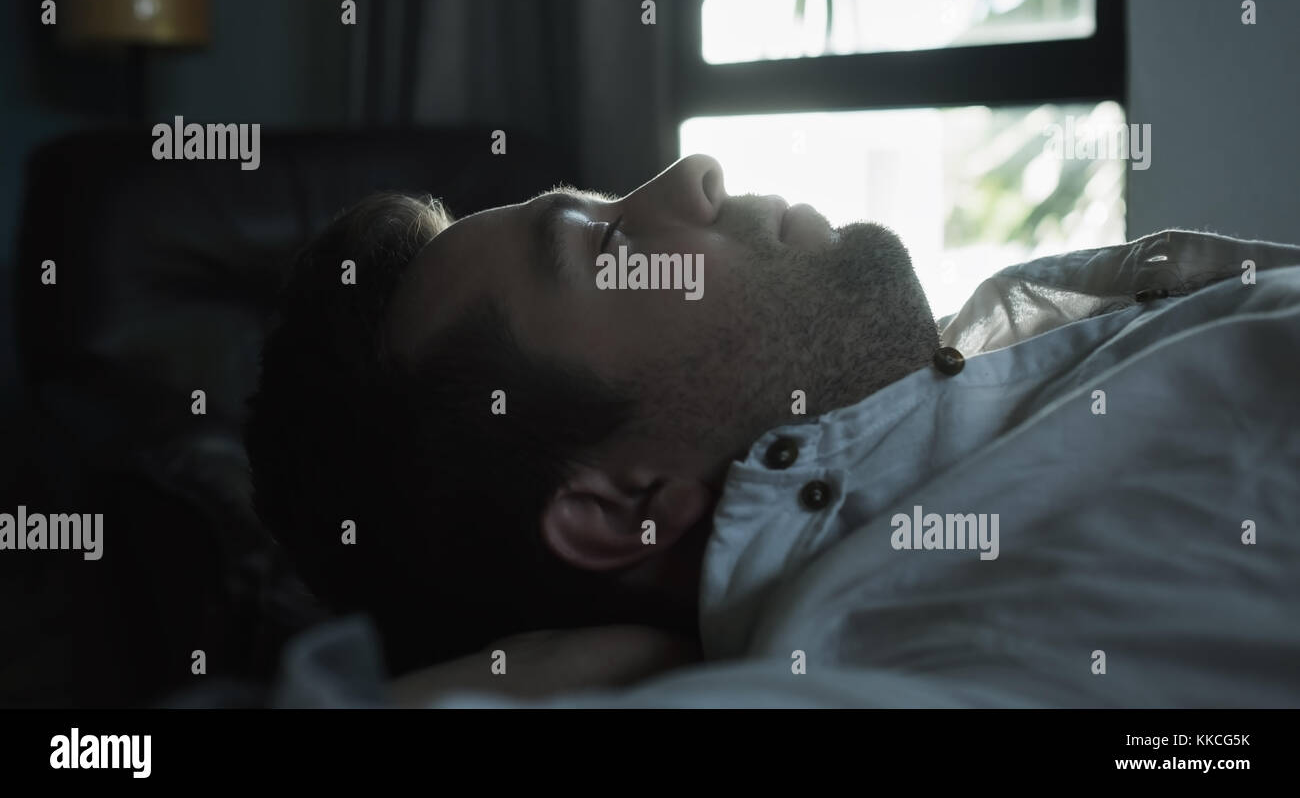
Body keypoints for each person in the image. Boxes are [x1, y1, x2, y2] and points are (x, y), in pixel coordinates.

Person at [247, 155, 1300, 707]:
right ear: (622, 505)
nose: (694, 171)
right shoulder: (911, 634)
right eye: (605, 241)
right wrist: (586, 668)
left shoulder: (1021, 374)